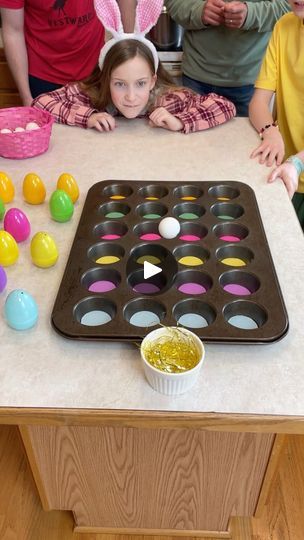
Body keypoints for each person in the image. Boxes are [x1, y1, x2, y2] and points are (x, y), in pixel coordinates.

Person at [32, 0, 236, 134]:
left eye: (140, 83)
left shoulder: (168, 99)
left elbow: (225, 106)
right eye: (120, 84)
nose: (131, 97)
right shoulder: (91, 95)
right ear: (106, 79)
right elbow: (41, 103)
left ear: (153, 81)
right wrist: (88, 117)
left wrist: (180, 121)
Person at [164, 0, 290, 117]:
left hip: (249, 80)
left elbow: (290, 6)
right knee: (193, 139)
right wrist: (198, 10)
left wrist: (251, 13)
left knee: (246, 140)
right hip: (196, 76)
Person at [0, 0, 136, 105]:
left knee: (100, 132)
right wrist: (26, 98)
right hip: (42, 75)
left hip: (94, 71)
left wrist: (130, 55)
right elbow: (13, 31)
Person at [248, 1, 304, 229]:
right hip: (284, 174)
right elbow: (258, 102)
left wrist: (298, 162)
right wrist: (269, 131)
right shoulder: (285, 26)